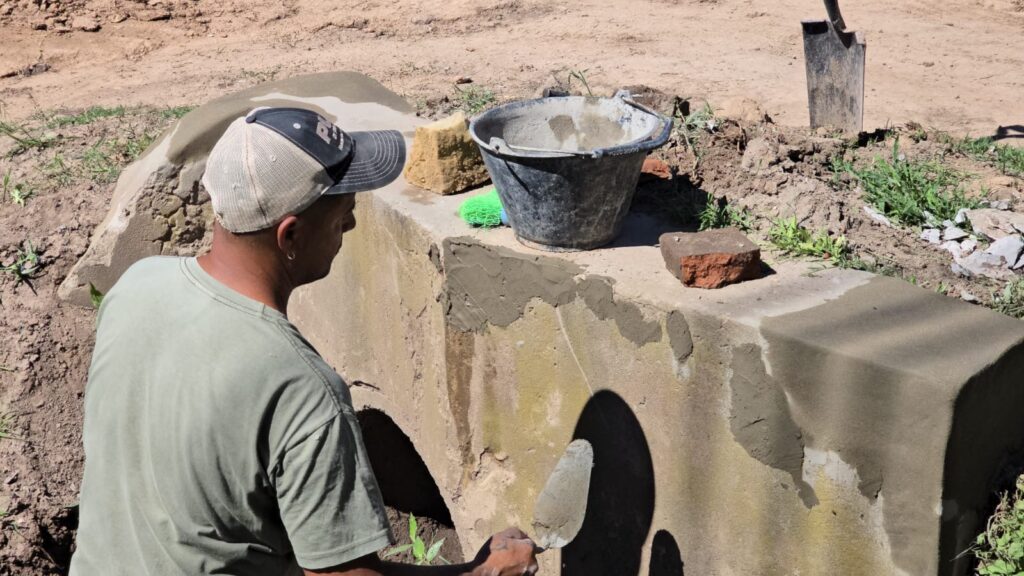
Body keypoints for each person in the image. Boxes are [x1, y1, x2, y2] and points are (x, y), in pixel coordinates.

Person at [69, 107, 539, 576]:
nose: (350, 226)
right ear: (289, 234)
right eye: (342, 214)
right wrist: (484, 574)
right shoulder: (300, 388)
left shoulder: (137, 285)